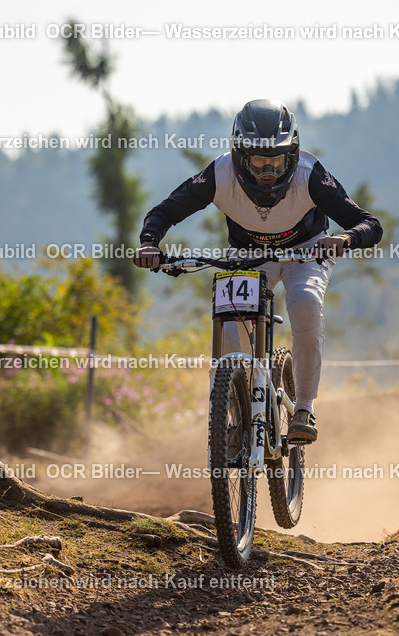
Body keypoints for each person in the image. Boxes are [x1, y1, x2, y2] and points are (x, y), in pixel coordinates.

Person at [134, 99, 382, 443]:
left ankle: (304, 409)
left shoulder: (311, 175)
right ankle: (235, 416)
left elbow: (369, 224)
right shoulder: (218, 174)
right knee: (231, 330)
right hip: (248, 254)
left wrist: (343, 238)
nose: (268, 171)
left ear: (292, 156)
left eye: (277, 161)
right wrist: (150, 243)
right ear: (239, 157)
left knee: (305, 302)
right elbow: (164, 211)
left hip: (307, 250)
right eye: (258, 161)